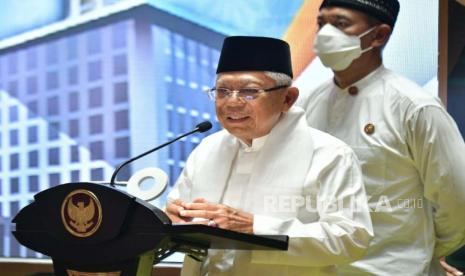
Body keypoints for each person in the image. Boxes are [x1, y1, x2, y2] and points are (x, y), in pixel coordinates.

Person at [166, 36, 373, 276]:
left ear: (288, 98)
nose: (232, 103)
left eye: (250, 92)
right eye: (222, 91)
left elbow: (351, 239)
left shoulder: (330, 155)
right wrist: (174, 219)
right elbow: (178, 214)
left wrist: (256, 227)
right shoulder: (207, 149)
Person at [297, 0, 465, 275]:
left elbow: (457, 202)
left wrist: (423, 249)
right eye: (321, 23)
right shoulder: (306, 104)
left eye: (340, 24)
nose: (325, 34)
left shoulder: (415, 108)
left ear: (379, 35)